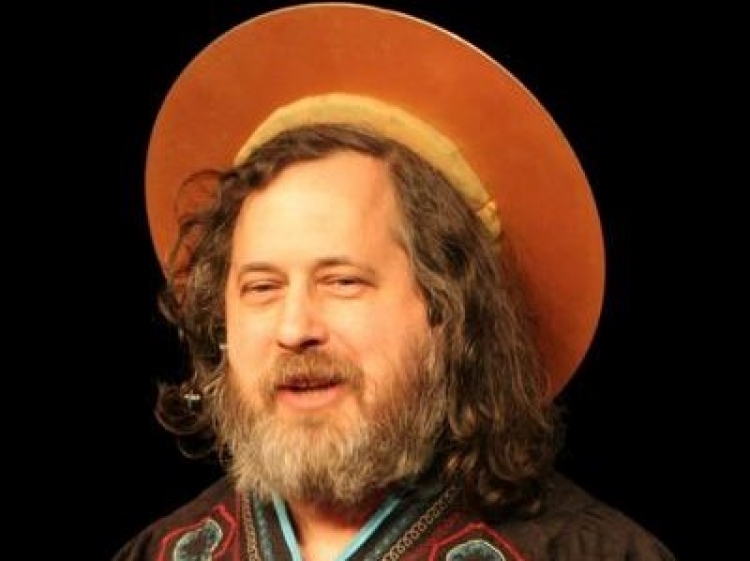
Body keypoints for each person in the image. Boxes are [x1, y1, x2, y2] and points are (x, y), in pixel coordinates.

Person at [114, 4, 675, 560]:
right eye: (262, 288)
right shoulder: (159, 552)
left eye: (342, 282)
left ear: (447, 309)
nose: (294, 329)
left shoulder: (589, 552)